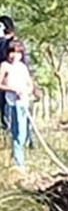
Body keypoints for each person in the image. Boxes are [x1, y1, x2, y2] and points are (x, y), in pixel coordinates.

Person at [0, 40, 34, 170]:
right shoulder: (4, 66)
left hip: (24, 103)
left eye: (17, 53)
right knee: (17, 133)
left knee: (24, 134)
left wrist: (28, 91)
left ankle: (20, 161)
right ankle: (19, 164)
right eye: (12, 52)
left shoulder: (22, 67)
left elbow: (29, 83)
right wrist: (13, 89)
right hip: (12, 103)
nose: (14, 56)